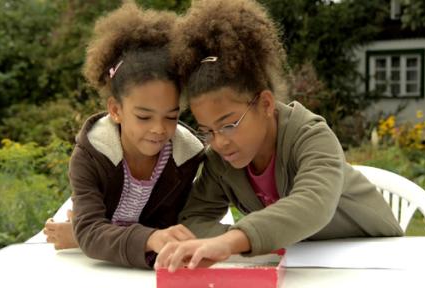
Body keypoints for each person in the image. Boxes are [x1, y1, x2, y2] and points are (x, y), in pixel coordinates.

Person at [154, 0, 403, 272]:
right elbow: (194, 219)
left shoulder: (311, 136)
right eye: (207, 130)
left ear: (265, 104)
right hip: (307, 266)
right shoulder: (220, 161)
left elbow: (313, 202)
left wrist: (233, 241)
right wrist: (245, 239)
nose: (219, 142)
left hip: (378, 259)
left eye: (229, 124)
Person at [43, 3, 205, 269]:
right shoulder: (90, 155)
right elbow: (92, 230)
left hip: (108, 245)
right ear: (116, 110)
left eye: (171, 116)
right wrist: (85, 236)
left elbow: (171, 226)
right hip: (79, 238)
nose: (159, 129)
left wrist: (83, 237)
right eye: (144, 116)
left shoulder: (186, 157)